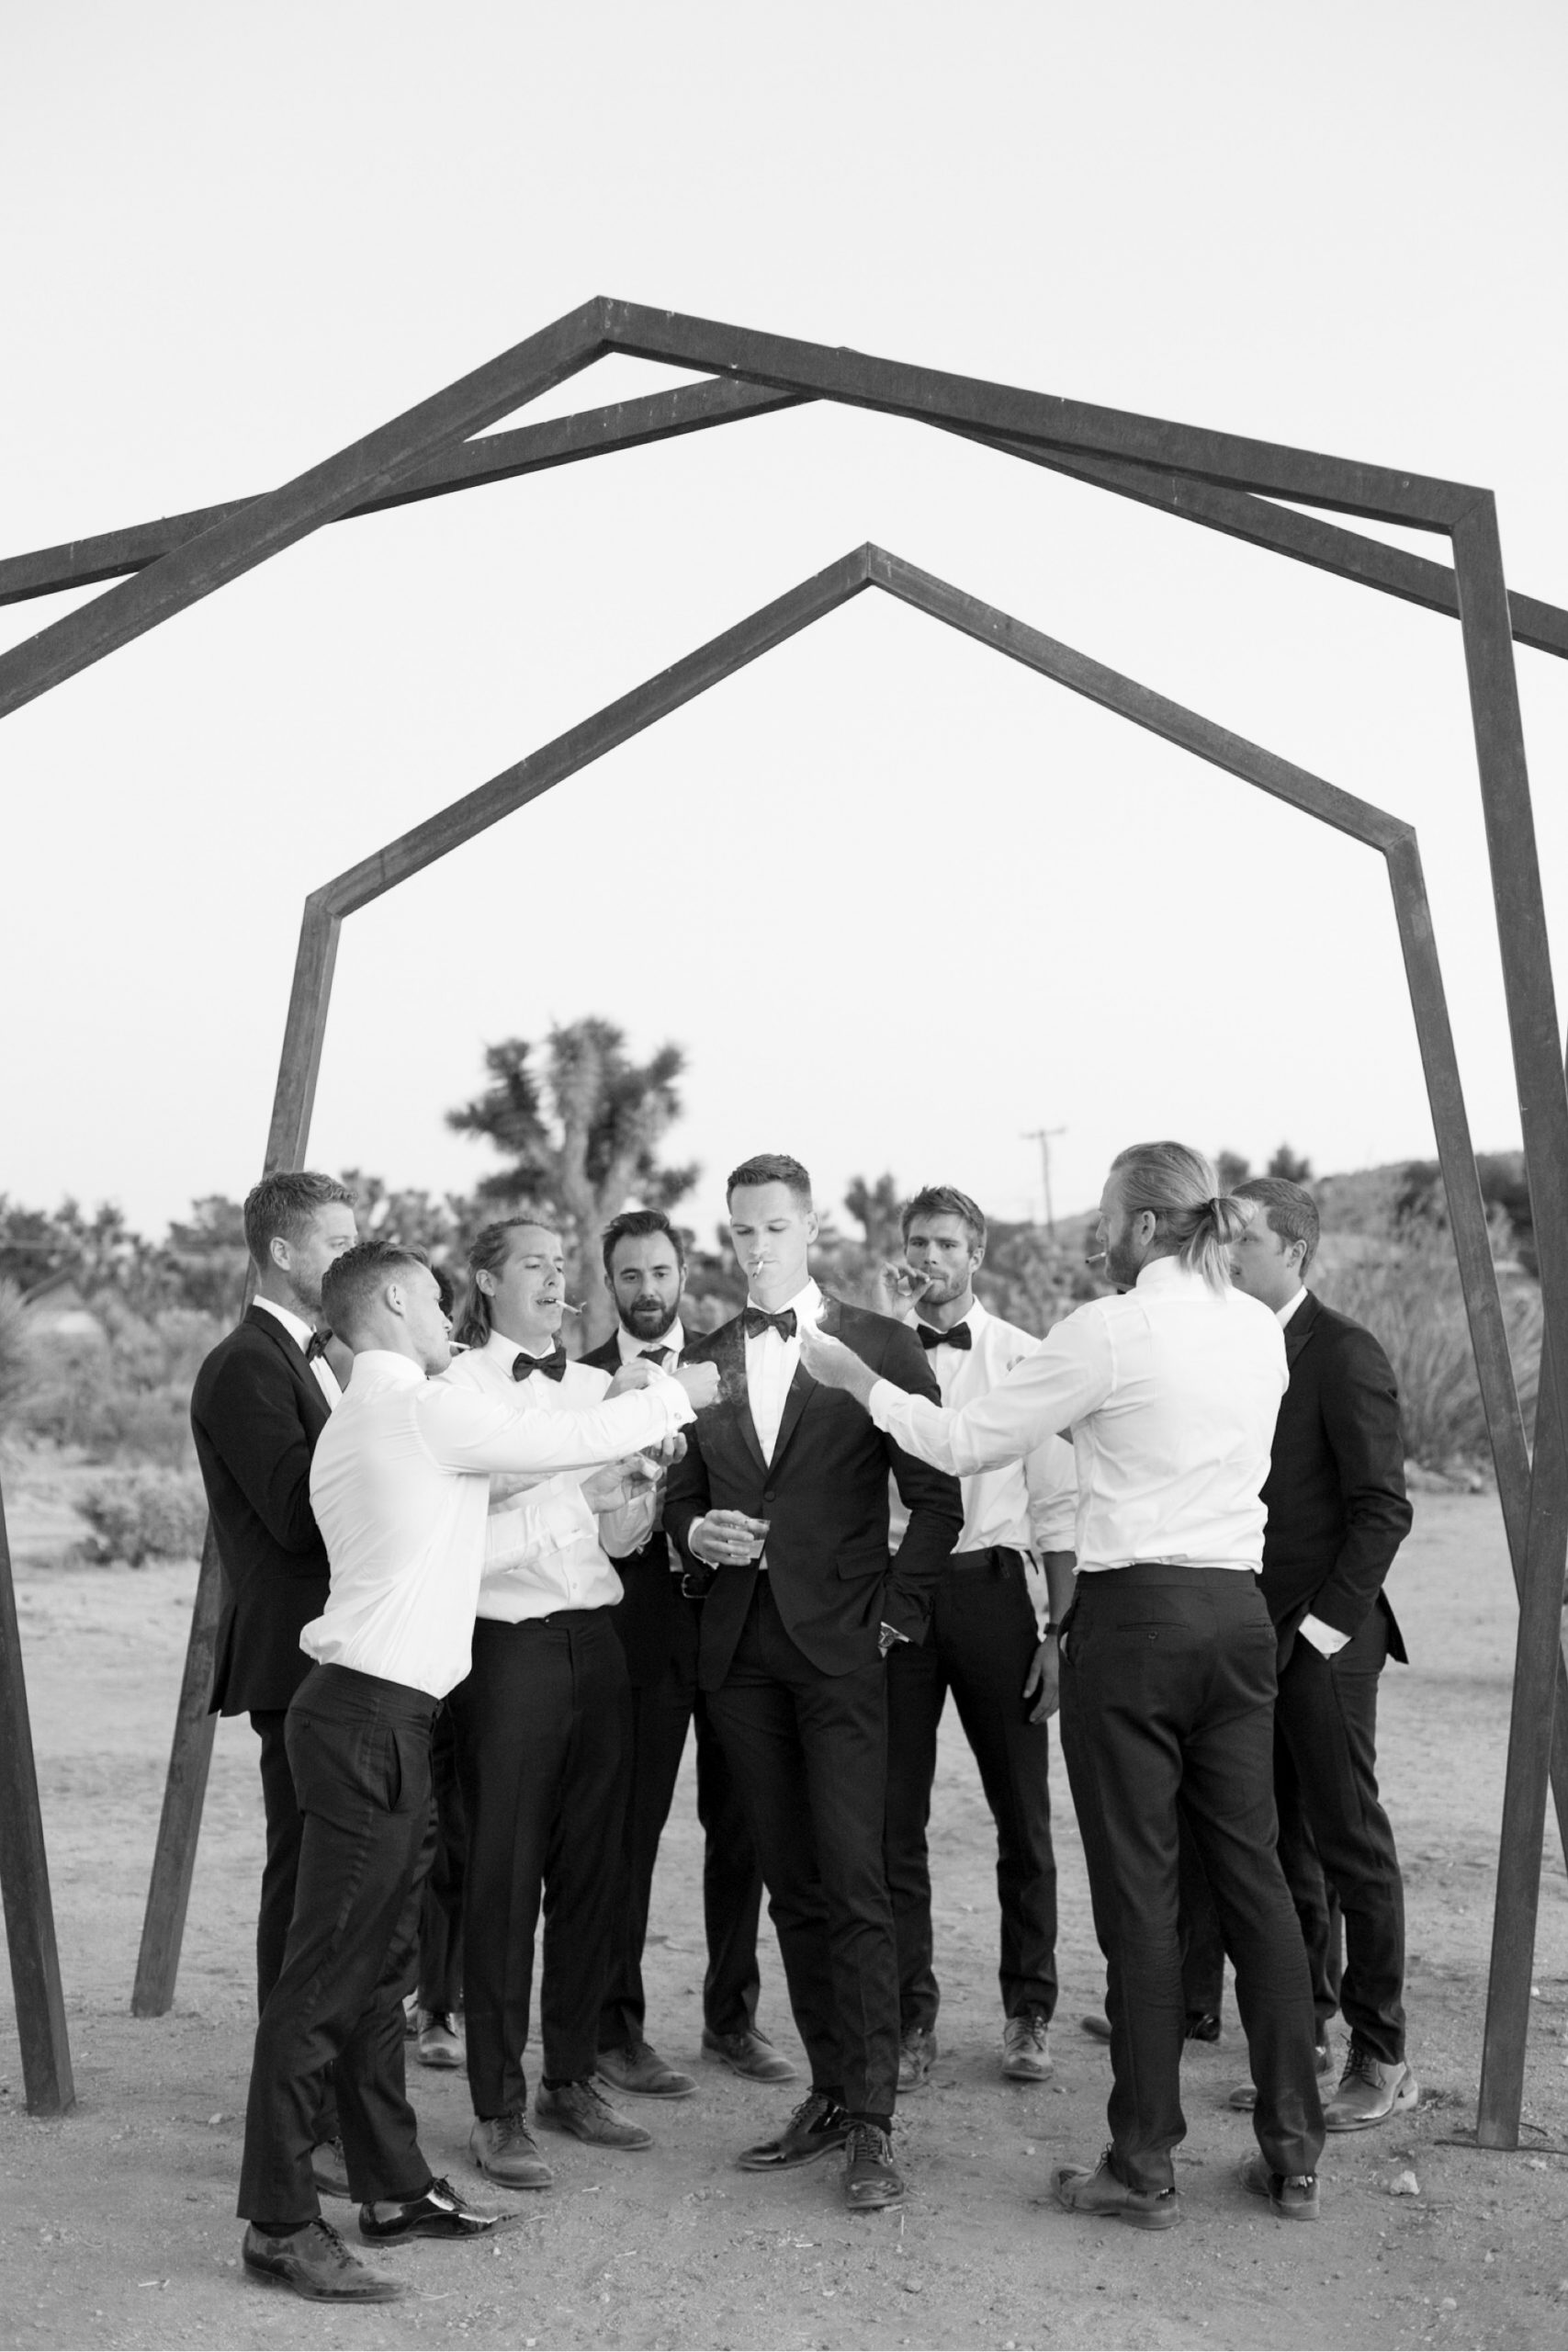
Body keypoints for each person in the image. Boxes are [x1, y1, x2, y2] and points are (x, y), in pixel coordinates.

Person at [799, 1142, 1326, 2228]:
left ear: (1140, 1226)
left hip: (1138, 1622)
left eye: (1103, 1213)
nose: (1094, 1231)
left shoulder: (1109, 1329)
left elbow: (963, 1439)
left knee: (1140, 1889)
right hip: (1237, 1611)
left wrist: (860, 1380)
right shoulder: (1255, 1328)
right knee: (1257, 1878)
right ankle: (1294, 2151)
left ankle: (1143, 2165)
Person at [236, 1238, 706, 2303]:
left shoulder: (378, 1419)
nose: (447, 1313)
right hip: (368, 1719)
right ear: (397, 1301)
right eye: (436, 1297)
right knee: (323, 1985)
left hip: (376, 1716)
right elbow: (572, 1427)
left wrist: (587, 1492)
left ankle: (394, 2186)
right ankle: (276, 2220)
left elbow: (472, 1549)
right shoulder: (415, 1400)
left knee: (374, 1976)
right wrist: (675, 1388)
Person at [664, 1153, 964, 2212]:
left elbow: (939, 1497)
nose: (757, 1247)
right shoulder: (701, 1360)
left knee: (855, 1881)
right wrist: (695, 1529)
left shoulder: (877, 1346)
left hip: (845, 1648)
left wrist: (896, 1610)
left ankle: (876, 2123)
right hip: (739, 1654)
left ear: (810, 1229)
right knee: (789, 1885)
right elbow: (680, 1498)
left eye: (776, 1229)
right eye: (742, 1231)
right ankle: (831, 2090)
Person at [443, 1215, 716, 2188]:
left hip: (599, 1642)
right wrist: (579, 1476)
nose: (557, 1282)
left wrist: (636, 1484)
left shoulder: (604, 1389)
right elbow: (465, 1512)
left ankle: (571, 2076)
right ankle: (495, 2107)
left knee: (594, 1870)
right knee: (505, 1877)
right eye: (535, 1266)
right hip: (505, 1651)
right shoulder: (459, 1390)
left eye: (564, 1267)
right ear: (486, 1280)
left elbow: (623, 1535)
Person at [579, 1209, 784, 2096]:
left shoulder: (728, 1367)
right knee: (629, 1830)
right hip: (637, 1630)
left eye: (660, 1273)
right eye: (630, 1276)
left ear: (681, 1274)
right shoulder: (579, 1383)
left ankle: (730, 2020)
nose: (648, 1290)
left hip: (734, 1626)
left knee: (739, 1829)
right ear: (609, 1282)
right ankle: (613, 2028)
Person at [1226, 1176, 1416, 2130]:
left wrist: (1320, 1630)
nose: (1225, 1256)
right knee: (1278, 1846)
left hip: (1328, 1643)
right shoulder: (1231, 1349)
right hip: (1250, 1639)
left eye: (1242, 1241)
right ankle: (1303, 2039)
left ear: (1292, 1251)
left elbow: (1385, 1506)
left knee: (1350, 1845)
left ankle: (1385, 2056)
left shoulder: (1343, 1353)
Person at [878, 1186, 1077, 2091]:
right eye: (917, 1242)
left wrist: (1058, 1634)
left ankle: (1029, 2010)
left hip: (996, 1592)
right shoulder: (868, 1358)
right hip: (898, 1601)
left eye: (946, 1243)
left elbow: (1059, 1506)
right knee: (893, 1820)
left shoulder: (1027, 1359)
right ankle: (909, 2016)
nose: (929, 1257)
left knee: (1023, 1817)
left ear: (977, 1255)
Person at [190, 1170, 359, 2193]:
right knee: (305, 1893)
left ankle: (323, 2100)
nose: (355, 1252)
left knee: (335, 1891)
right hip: (296, 1664)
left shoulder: (314, 1359)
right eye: (339, 1239)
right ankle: (294, 2118)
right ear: (287, 1252)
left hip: (338, 1656)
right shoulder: (243, 1367)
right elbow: (298, 1515)